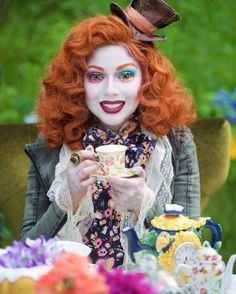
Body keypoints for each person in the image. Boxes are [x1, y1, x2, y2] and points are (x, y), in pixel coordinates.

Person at [21, 0, 200, 268]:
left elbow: (192, 254)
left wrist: (144, 204)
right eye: (95, 77)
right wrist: (66, 198)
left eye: (125, 75)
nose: (111, 90)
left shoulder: (176, 140)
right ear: (76, 83)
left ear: (146, 78)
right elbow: (22, 256)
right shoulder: (53, 141)